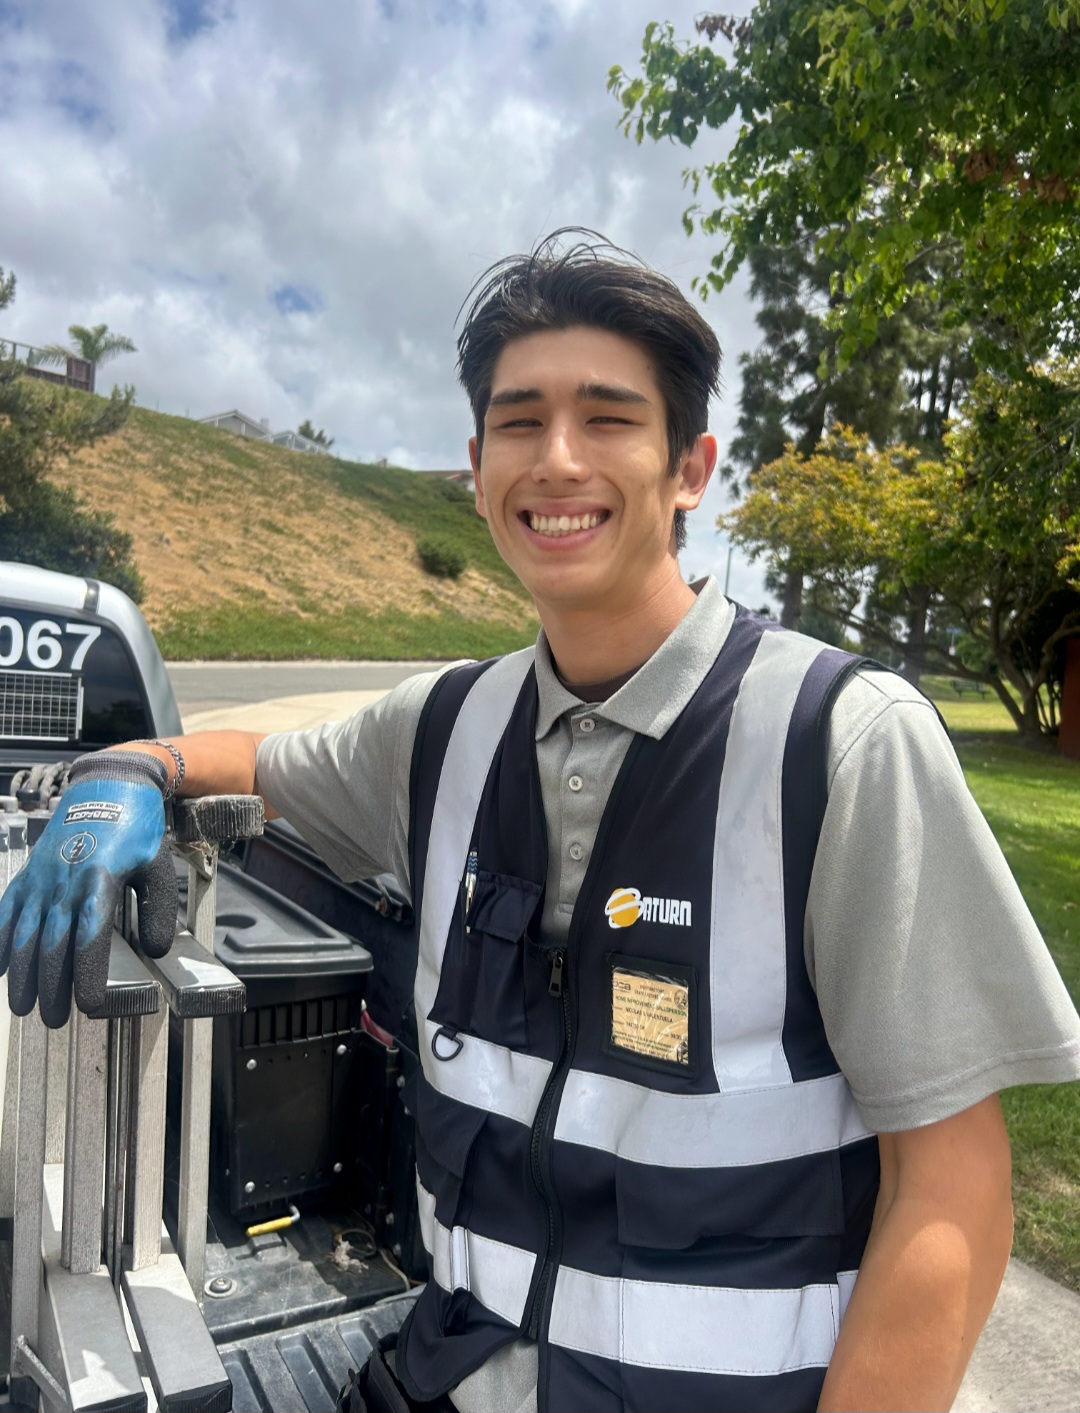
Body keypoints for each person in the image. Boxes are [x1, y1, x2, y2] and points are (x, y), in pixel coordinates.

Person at [3, 232, 1080, 1413]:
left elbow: (954, 1188)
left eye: (608, 418)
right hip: (454, 1379)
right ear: (478, 470)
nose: (557, 460)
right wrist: (126, 773)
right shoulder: (441, 731)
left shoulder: (842, 744)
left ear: (690, 468)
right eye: (519, 423)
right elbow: (253, 759)